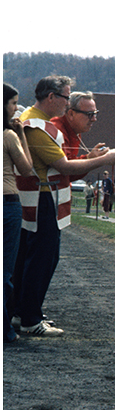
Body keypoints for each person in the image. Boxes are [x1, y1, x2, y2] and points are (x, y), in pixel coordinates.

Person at [12, 75, 115, 336]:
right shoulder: (37, 126)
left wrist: (89, 158)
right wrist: (104, 159)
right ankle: (29, 317)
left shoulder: (34, 120)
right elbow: (63, 166)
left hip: (41, 197)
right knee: (42, 260)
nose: (67, 103)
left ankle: (24, 311)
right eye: (65, 97)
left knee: (35, 259)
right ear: (51, 97)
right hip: (42, 199)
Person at [4, 83, 34, 342]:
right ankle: (5, 329)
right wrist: (21, 133)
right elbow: (26, 169)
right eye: (14, 103)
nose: (16, 109)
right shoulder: (8, 136)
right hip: (7, 202)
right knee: (5, 270)